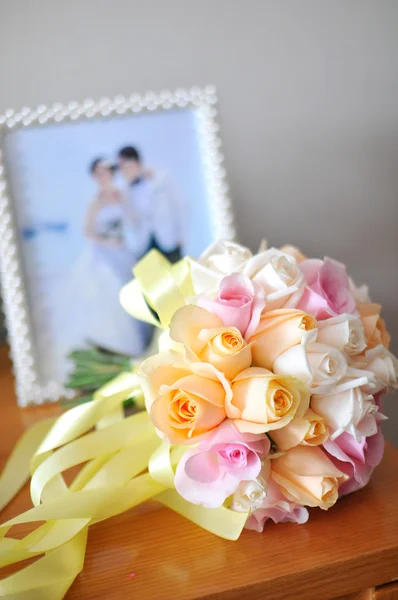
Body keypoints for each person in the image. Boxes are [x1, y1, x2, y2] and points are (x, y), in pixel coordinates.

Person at [46, 159, 145, 383]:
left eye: (108, 171)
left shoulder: (120, 195)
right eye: (100, 173)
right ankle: (111, 346)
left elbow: (133, 219)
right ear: (95, 176)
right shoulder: (95, 202)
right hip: (103, 252)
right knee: (108, 293)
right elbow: (88, 232)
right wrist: (108, 241)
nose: (105, 176)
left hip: (122, 250)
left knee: (131, 290)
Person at [117, 146, 186, 263]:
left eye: (126, 166)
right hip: (144, 245)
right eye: (121, 167)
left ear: (136, 163)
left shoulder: (161, 178)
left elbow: (180, 206)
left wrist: (181, 235)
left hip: (169, 240)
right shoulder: (124, 191)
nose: (124, 170)